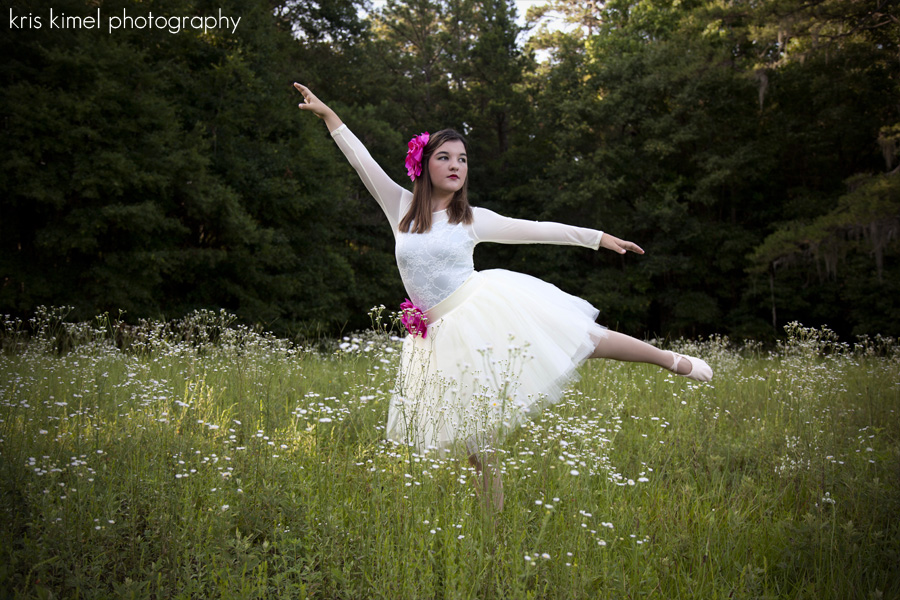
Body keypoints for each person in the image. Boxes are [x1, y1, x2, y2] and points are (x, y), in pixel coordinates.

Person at [293, 83, 712, 510]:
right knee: (478, 442)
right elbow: (360, 160)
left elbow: (538, 228)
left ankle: (670, 360)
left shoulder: (471, 218)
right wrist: (330, 117)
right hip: (438, 337)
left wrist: (598, 237)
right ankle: (494, 531)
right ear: (422, 165)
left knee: (582, 337)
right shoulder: (398, 206)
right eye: (444, 157)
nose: (456, 165)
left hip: (480, 308)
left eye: (462, 159)